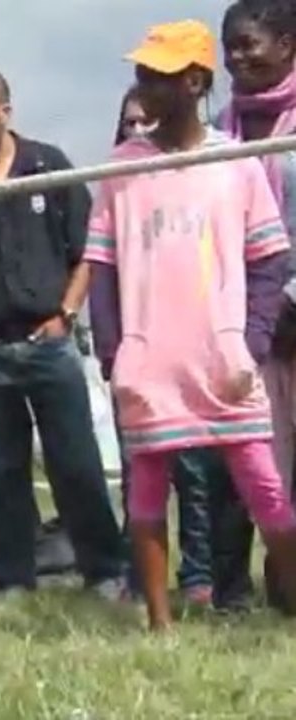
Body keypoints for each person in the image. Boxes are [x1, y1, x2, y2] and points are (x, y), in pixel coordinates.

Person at [88, 19, 296, 629]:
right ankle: (159, 622)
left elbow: (269, 259)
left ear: (196, 82)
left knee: (266, 487)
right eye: (143, 74)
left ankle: (287, 610)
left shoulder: (235, 162)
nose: (145, 86)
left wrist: (251, 338)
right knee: (148, 491)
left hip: (222, 354)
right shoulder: (122, 166)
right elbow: (101, 265)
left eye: (160, 75)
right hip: (149, 354)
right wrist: (111, 350)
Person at [0, 68, 127, 598]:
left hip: (48, 342)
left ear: (5, 110)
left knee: (76, 461)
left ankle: (104, 569)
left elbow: (88, 248)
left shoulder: (46, 165)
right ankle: (12, 576)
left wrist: (67, 313)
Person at [104, 87, 219, 609]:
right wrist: (111, 349)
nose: (138, 129)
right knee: (141, 474)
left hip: (195, 350)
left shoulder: (203, 178)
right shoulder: (121, 184)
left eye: (143, 121)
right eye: (128, 123)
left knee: (196, 475)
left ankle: (198, 577)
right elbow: (101, 268)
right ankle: (140, 580)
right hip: (138, 351)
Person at [215, 0, 296, 611]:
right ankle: (277, 584)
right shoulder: (221, 131)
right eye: (231, 47)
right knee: (265, 461)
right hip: (249, 324)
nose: (238, 57)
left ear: (288, 44)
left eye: (250, 43)